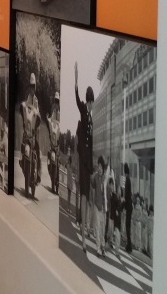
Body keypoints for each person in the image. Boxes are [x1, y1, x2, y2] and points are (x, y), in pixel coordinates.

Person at [75, 64, 94, 239]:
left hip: (88, 162)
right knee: (83, 193)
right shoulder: (83, 111)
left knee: (87, 196)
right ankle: (81, 224)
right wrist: (76, 82)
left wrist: (92, 164)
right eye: (90, 102)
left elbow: (92, 143)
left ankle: (85, 224)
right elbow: (77, 100)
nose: (91, 105)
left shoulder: (91, 119)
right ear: (88, 102)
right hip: (82, 159)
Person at [20, 73, 42, 193]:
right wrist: (22, 109)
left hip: (34, 132)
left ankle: (38, 174)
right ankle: (21, 159)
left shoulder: (36, 101)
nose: (32, 89)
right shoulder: (27, 97)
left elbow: (37, 114)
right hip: (27, 130)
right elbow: (24, 108)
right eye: (31, 86)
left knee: (38, 152)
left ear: (35, 87)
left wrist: (38, 117)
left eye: (33, 86)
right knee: (23, 142)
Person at [93, 156, 106, 256]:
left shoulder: (104, 179)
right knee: (97, 226)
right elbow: (93, 187)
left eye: (101, 167)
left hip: (103, 207)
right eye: (99, 167)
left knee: (102, 228)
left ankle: (102, 246)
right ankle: (98, 248)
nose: (100, 169)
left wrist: (105, 207)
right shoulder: (95, 177)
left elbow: (106, 195)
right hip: (96, 205)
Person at [124, 163, 134, 253]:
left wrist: (123, 204)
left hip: (128, 205)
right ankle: (129, 244)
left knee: (127, 225)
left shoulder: (127, 180)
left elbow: (126, 195)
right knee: (128, 225)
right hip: (130, 205)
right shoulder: (129, 179)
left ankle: (129, 246)